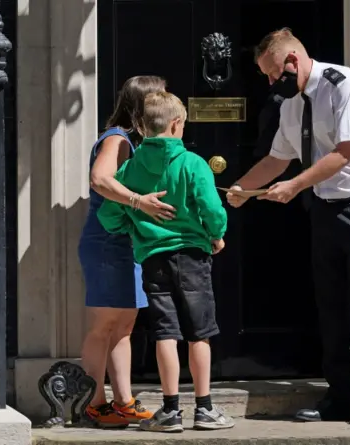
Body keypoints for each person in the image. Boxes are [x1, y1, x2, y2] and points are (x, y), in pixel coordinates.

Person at [227, 28, 350, 425]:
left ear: (292, 62)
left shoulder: (344, 84)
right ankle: (340, 397)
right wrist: (241, 187)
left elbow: (346, 151)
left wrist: (296, 186)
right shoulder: (291, 102)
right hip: (324, 208)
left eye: (271, 73)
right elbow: (277, 159)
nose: (269, 83)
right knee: (331, 307)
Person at [97, 91, 234, 433]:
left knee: (165, 333)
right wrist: (216, 234)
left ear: (141, 127)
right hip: (192, 256)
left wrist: (133, 225)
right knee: (199, 334)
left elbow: (109, 216)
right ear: (177, 124)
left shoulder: (129, 168)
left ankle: (170, 410)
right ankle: (204, 408)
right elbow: (212, 210)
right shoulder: (193, 164)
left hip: (153, 259)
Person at [78, 76, 176, 428]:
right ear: (141, 103)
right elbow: (100, 179)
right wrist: (140, 202)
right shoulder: (117, 138)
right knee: (104, 325)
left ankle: (123, 401)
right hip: (107, 243)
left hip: (124, 243)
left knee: (124, 325)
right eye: (158, 97)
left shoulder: (132, 141)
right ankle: (93, 403)